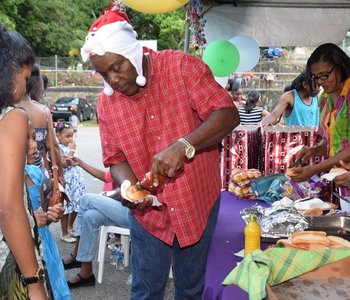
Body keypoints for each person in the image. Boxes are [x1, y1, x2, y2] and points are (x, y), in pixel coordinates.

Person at [80, 7, 239, 299]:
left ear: (133, 52)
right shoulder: (106, 104)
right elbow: (115, 159)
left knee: (190, 289)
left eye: (117, 67)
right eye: (104, 73)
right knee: (145, 291)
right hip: (149, 217)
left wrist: (185, 144)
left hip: (196, 202)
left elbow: (228, 114)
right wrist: (129, 188)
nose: (112, 80)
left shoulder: (182, 68)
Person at [0, 22, 48, 299]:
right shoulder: (12, 117)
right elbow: (8, 207)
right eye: (25, 74)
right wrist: (33, 280)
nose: (25, 84)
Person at [288, 44, 350, 197]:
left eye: (325, 75)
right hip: (340, 178)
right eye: (315, 77)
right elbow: (330, 141)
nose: (320, 81)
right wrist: (315, 149)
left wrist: (315, 169)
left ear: (340, 67)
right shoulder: (324, 99)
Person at [61, 157, 129, 288]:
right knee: (90, 216)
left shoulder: (141, 157)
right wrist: (80, 162)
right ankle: (86, 272)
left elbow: (127, 191)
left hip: (138, 214)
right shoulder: (125, 158)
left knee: (86, 199)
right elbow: (106, 176)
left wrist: (105, 196)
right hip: (124, 210)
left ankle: (76, 253)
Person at [25, 121, 70, 299]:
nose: (34, 144)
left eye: (34, 138)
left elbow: (43, 214)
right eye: (26, 139)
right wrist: (31, 220)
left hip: (44, 245)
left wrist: (51, 214)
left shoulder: (35, 174)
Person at [18, 64, 65, 208]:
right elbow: (53, 147)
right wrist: (61, 175)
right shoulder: (43, 111)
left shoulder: (8, 110)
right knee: (42, 218)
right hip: (38, 175)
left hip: (13, 176)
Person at [56, 122, 86, 242]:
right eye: (67, 136)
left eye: (71, 136)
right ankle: (64, 233)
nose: (70, 139)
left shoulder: (69, 147)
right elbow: (64, 163)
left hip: (76, 183)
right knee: (66, 207)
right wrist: (72, 151)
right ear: (58, 136)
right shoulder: (59, 148)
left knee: (76, 205)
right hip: (67, 182)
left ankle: (70, 226)